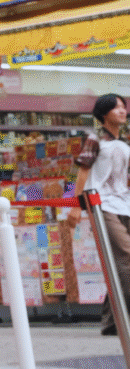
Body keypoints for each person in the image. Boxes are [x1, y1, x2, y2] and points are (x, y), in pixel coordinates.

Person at [68, 93, 130, 336]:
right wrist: (76, 206)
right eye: (116, 108)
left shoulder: (124, 142)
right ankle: (124, 318)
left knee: (119, 261)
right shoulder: (94, 139)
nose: (122, 111)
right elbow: (83, 172)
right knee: (126, 256)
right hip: (100, 205)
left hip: (124, 204)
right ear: (104, 113)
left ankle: (110, 321)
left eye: (123, 107)